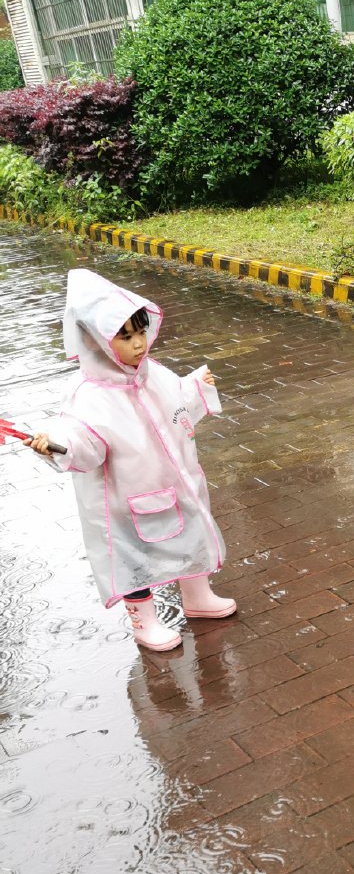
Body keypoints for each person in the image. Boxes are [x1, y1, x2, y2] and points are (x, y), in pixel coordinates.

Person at [24, 268, 235, 652]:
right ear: (96, 340)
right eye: (125, 337)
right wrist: (58, 444)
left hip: (174, 482)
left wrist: (196, 389)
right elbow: (83, 441)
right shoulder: (88, 394)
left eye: (141, 332)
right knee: (133, 556)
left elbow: (176, 404)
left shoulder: (152, 373)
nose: (139, 344)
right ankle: (144, 621)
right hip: (127, 497)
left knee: (189, 533)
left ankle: (198, 597)